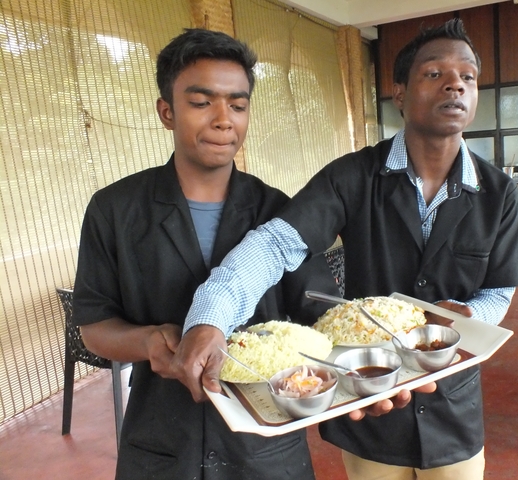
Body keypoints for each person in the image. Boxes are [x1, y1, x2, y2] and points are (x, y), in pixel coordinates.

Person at [173, 18, 518, 480]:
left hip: (451, 397)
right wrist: (210, 317)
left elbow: (499, 290)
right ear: (399, 94)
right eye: (435, 74)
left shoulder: (499, 193)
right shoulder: (353, 176)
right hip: (367, 398)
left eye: (467, 76)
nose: (455, 85)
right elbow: (277, 243)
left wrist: (466, 320)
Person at [72, 28, 349, 480]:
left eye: (238, 105)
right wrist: (147, 341)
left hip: (266, 444)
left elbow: (318, 321)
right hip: (162, 446)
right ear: (167, 111)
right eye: (202, 103)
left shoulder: (278, 212)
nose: (224, 119)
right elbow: (94, 326)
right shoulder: (115, 209)